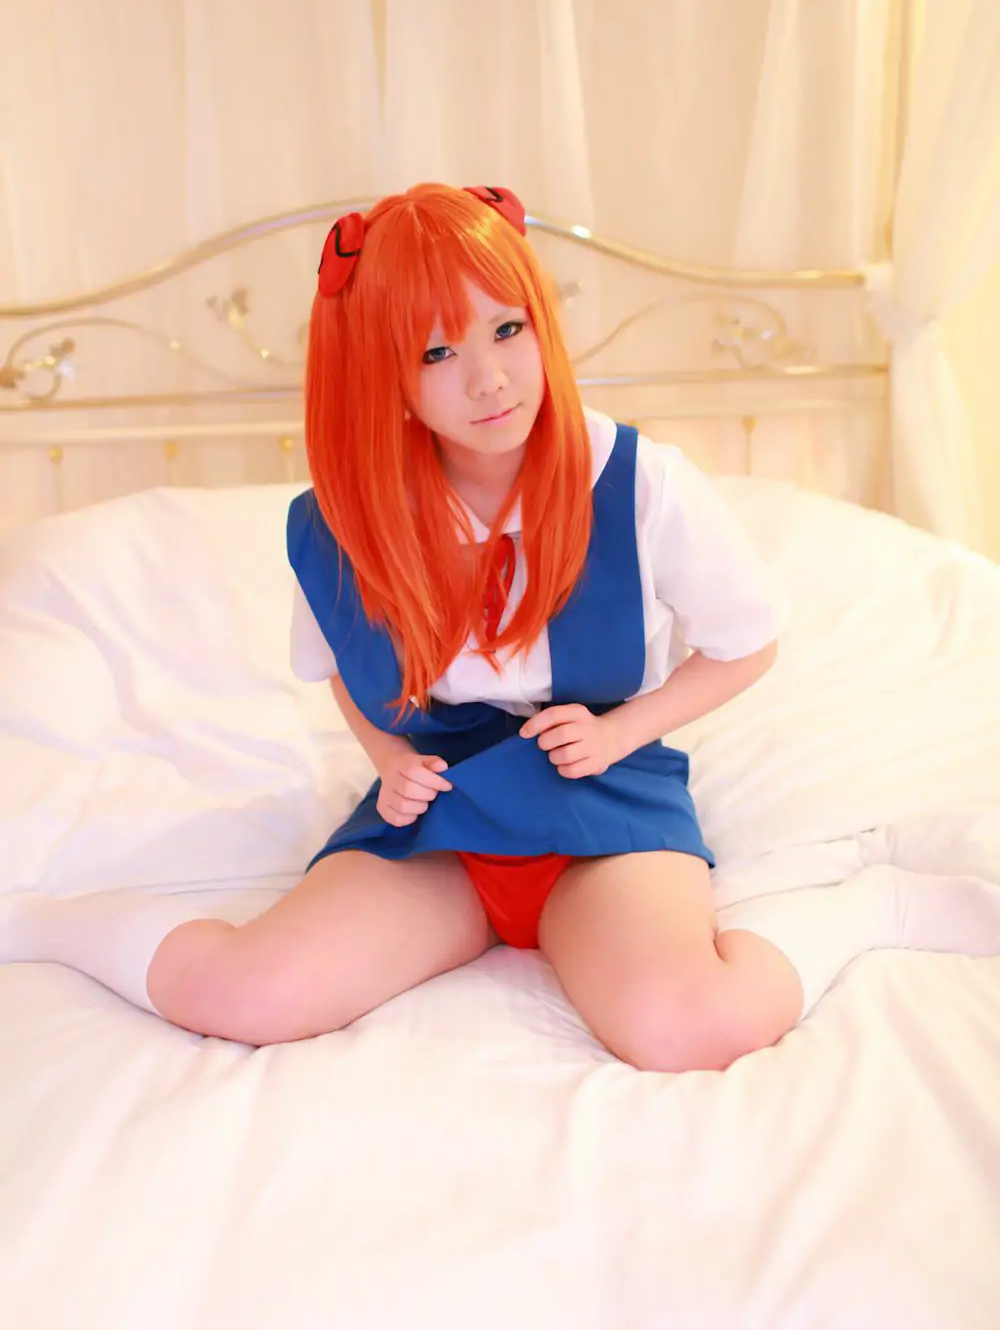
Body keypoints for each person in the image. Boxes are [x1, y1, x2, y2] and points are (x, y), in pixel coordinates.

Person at [4, 183, 997, 1067]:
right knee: (246, 997)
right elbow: (345, 666)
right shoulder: (343, 521)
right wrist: (388, 756)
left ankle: (874, 907)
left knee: (685, 1027)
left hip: (604, 802)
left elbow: (747, 643)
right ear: (383, 376)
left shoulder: (639, 483)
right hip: (442, 816)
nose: (488, 379)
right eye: (437, 351)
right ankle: (39, 924)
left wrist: (621, 732)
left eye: (507, 329)